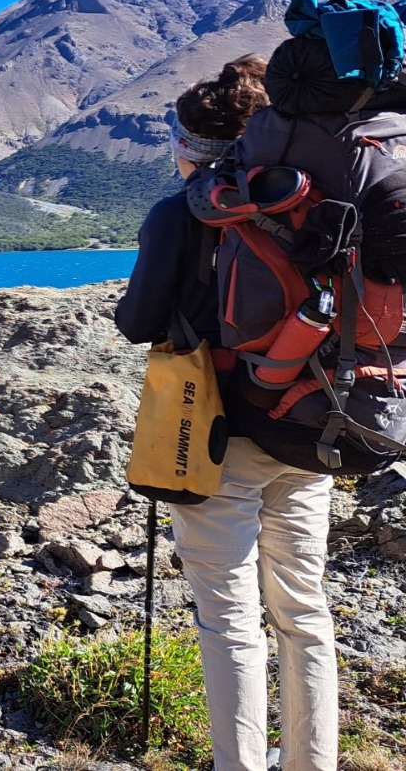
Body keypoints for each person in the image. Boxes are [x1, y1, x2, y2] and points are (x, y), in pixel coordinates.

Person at [115, 56, 338, 771]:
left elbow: (138, 318)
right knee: (304, 610)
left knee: (229, 617)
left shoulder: (178, 213)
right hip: (309, 428)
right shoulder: (311, 198)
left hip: (214, 439)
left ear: (191, 145)